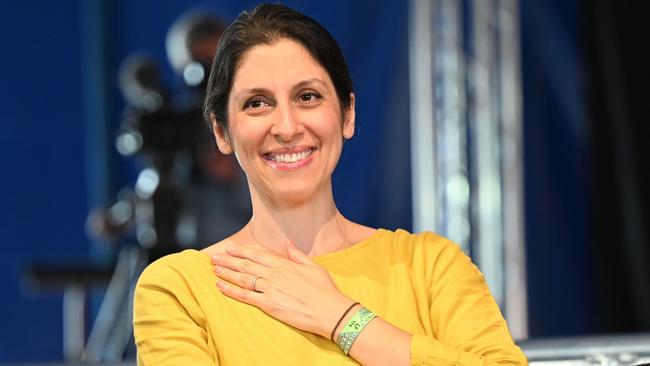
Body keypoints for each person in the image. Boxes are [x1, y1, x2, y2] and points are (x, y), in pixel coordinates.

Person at [133, 4, 528, 365]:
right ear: (221, 131)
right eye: (257, 103)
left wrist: (342, 318)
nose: (287, 127)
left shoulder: (429, 266)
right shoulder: (180, 289)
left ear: (347, 115)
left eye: (307, 97)